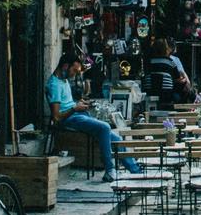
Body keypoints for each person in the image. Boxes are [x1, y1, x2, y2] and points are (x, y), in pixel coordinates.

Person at [46, 54, 141, 182]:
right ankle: (109, 169)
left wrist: (81, 104)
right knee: (104, 127)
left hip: (77, 114)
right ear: (65, 66)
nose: (74, 74)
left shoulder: (64, 80)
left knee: (117, 138)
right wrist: (75, 108)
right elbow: (57, 116)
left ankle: (135, 170)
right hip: (68, 119)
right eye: (74, 70)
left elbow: (67, 102)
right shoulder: (54, 84)